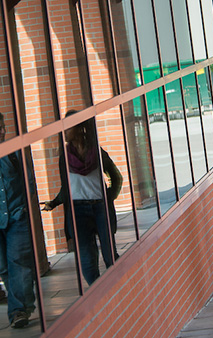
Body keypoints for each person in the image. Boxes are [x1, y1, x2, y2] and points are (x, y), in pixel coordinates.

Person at [43, 112, 122, 285]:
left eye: (68, 127)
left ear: (79, 128)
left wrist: (109, 199)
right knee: (86, 257)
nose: (64, 131)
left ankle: (117, 289)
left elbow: (117, 178)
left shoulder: (96, 151)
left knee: (110, 254)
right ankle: (98, 291)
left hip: (100, 207)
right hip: (78, 211)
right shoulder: (65, 156)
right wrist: (54, 203)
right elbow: (67, 187)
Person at [0, 112, 36, 328]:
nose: (4, 131)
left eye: (3, 126)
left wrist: (23, 208)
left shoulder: (13, 151)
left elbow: (28, 180)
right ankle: (19, 304)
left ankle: (19, 311)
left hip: (16, 217)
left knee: (19, 263)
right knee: (4, 267)